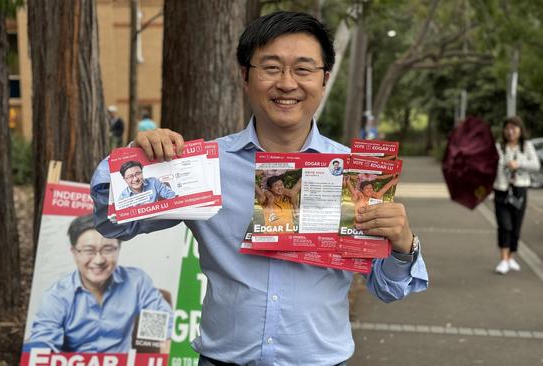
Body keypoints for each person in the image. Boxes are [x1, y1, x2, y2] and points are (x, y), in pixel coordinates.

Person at [91, 11, 428, 365]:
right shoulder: (206, 167)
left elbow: (388, 287)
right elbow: (113, 221)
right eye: (271, 67)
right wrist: (136, 159)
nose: (286, 83)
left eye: (303, 69)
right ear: (244, 75)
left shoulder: (355, 175)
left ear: (324, 79)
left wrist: (404, 245)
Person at [24, 215, 172, 353]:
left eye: (108, 249)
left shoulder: (137, 282)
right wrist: (39, 348)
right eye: (89, 250)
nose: (99, 260)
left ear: (118, 249)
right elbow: (42, 343)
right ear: (74, 252)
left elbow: (162, 329)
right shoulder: (57, 295)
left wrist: (158, 346)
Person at [493, 116, 540, 275]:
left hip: (520, 190)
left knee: (516, 227)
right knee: (504, 225)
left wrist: (518, 164)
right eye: (508, 128)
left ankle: (511, 256)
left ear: (520, 130)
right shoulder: (499, 147)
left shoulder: (526, 146)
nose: (510, 131)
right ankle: (503, 259)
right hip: (501, 189)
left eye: (514, 128)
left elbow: (536, 165)